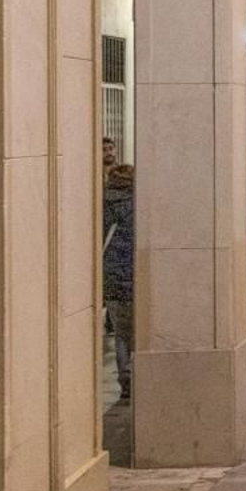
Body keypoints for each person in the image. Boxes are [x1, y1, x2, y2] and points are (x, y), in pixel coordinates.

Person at [102, 163, 136, 402]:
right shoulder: (137, 205)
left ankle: (125, 381)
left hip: (111, 277)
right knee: (137, 332)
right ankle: (137, 375)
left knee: (121, 334)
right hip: (134, 276)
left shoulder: (102, 204)